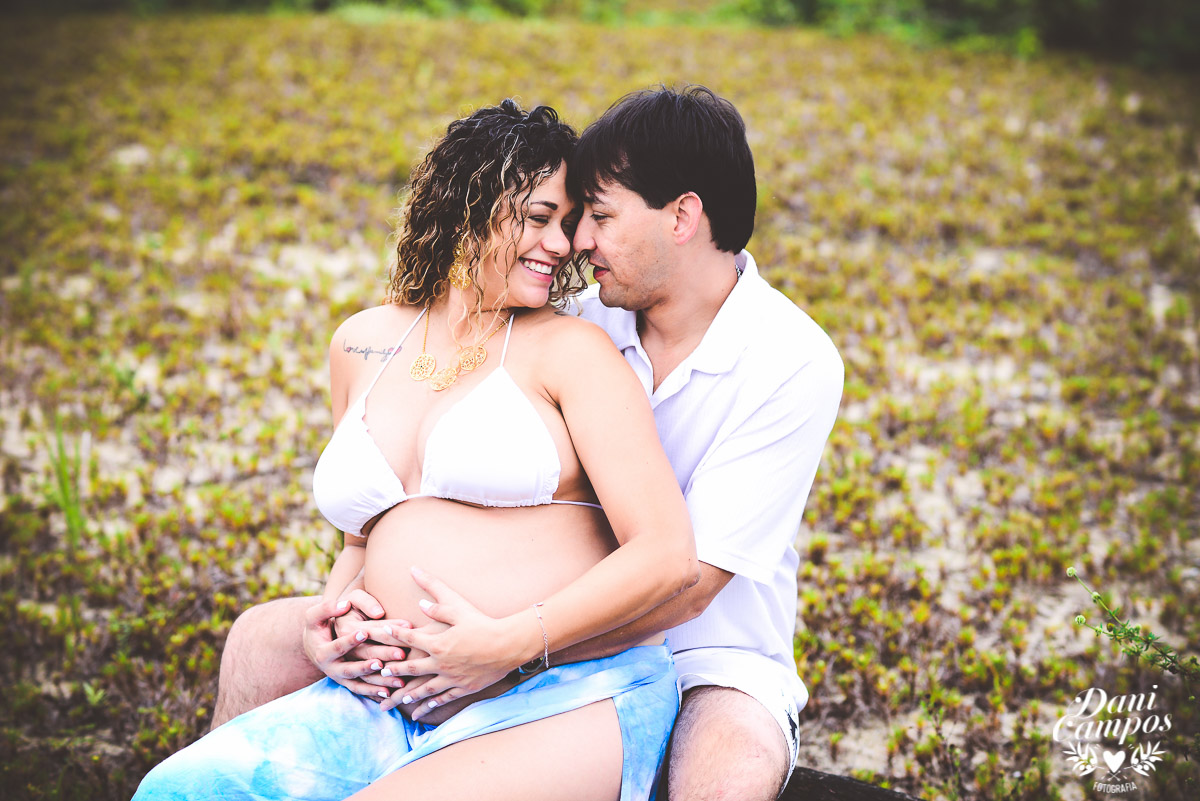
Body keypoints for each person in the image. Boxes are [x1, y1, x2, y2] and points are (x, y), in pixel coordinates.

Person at [212, 85, 843, 800]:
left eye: (597, 217)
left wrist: (510, 649)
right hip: (499, 629)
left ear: (682, 216)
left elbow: (689, 582)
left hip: (708, 654)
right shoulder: (582, 318)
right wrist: (356, 607)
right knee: (259, 642)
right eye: (567, 219)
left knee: (723, 779)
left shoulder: (792, 360)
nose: (577, 244)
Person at [132, 99, 698, 801]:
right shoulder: (362, 342)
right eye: (539, 217)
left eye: (570, 222)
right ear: (468, 207)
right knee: (181, 787)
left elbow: (666, 553)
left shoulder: (573, 351)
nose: (562, 244)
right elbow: (362, 541)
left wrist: (513, 640)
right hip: (395, 701)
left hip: (563, 693)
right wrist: (333, 620)